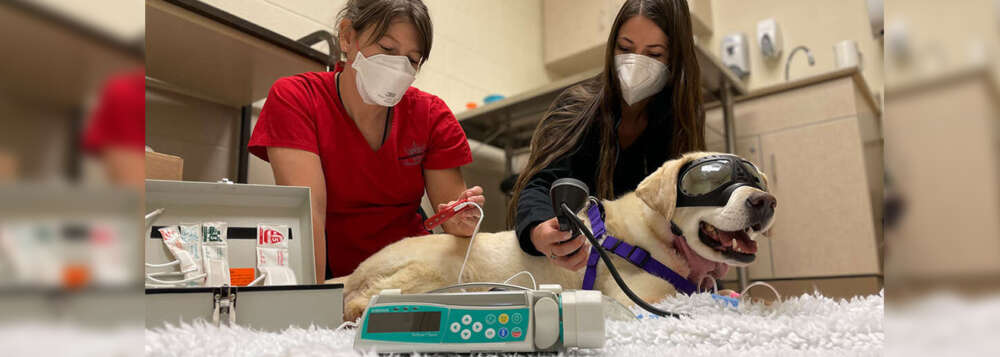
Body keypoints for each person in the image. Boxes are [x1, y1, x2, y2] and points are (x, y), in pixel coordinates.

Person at [248, 0, 484, 282]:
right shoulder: (297, 99)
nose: (398, 68)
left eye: (411, 60)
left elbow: (453, 222)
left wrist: (463, 221)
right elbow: (309, 215)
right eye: (387, 49)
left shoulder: (430, 116)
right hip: (336, 274)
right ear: (348, 37)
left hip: (410, 272)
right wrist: (315, 307)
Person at [508, 0, 705, 271]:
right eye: (625, 49)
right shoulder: (577, 109)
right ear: (611, 47)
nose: (636, 64)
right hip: (575, 265)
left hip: (639, 267)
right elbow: (540, 185)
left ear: (675, 58)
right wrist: (540, 232)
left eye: (654, 54)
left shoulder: (677, 123)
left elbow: (684, 209)